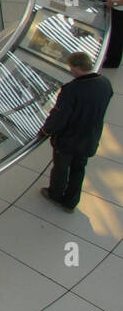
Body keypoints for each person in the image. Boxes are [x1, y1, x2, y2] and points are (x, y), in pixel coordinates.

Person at [38, 52, 114, 210]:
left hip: (69, 140)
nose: (70, 70)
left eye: (71, 67)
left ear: (77, 68)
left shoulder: (72, 90)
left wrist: (45, 131)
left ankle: (55, 195)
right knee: (79, 169)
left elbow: (60, 116)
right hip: (90, 137)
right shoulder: (105, 83)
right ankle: (71, 201)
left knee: (61, 168)